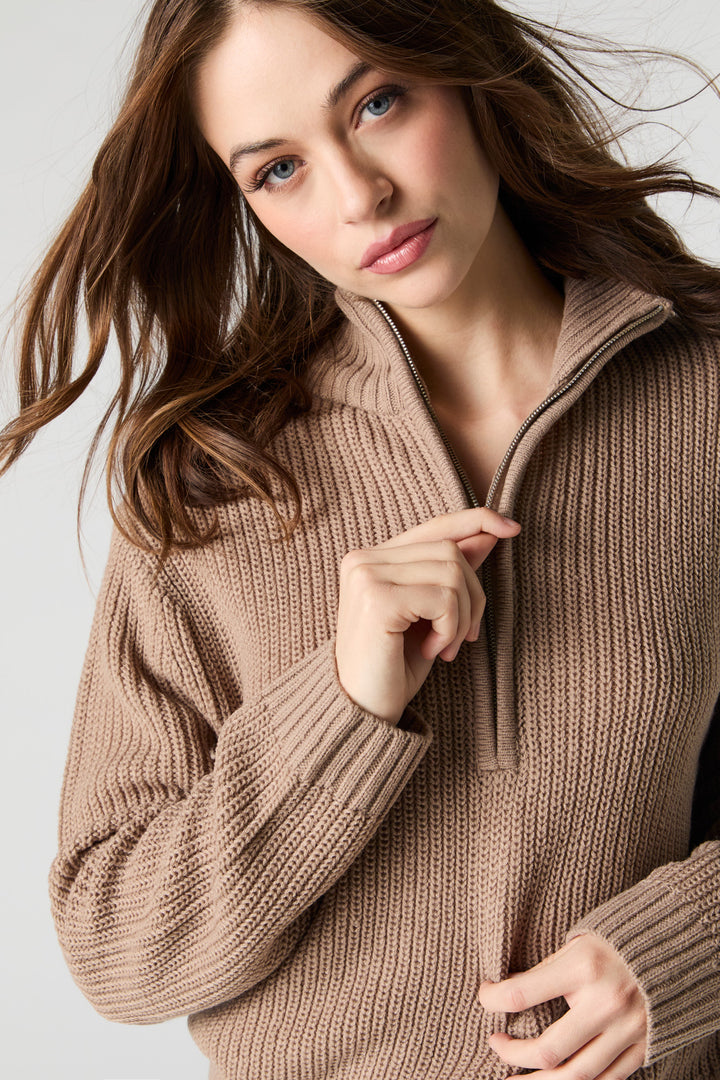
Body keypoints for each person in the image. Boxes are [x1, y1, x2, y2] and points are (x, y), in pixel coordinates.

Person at [2, 0, 719, 1077]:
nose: (357, 194)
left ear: (466, 71)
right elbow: (118, 948)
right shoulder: (212, 481)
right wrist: (339, 705)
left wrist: (693, 944)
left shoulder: (704, 395)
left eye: (379, 103)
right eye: (279, 169)